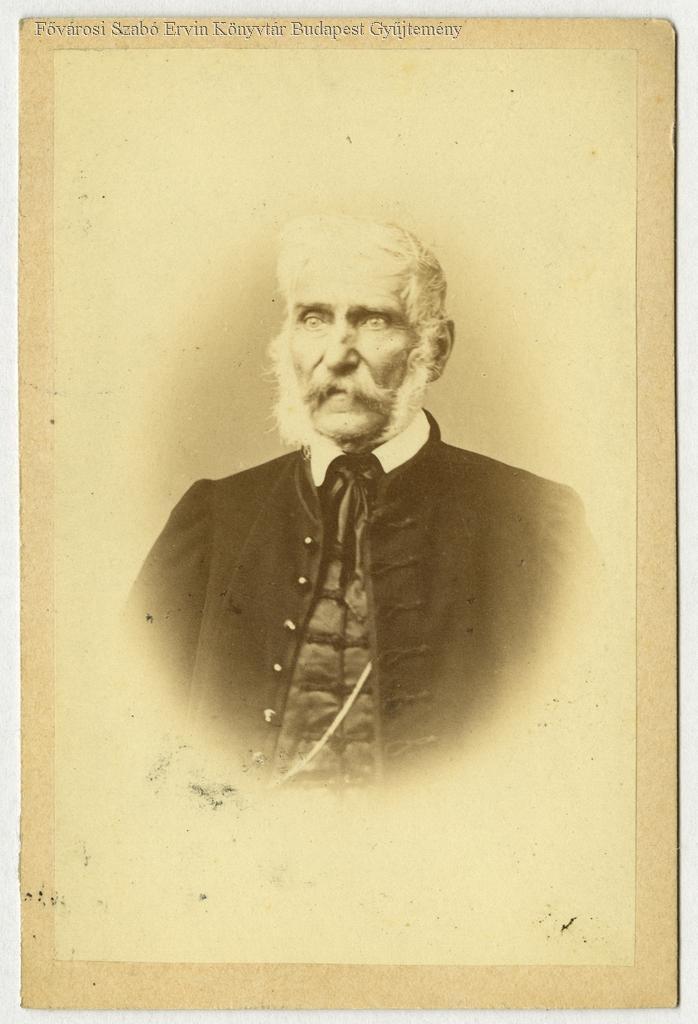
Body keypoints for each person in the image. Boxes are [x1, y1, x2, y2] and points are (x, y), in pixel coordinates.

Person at [129, 215, 592, 791]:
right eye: (314, 319)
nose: (337, 354)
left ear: (435, 348)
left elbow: (572, 746)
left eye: (374, 320)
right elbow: (138, 731)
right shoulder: (215, 518)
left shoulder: (532, 523)